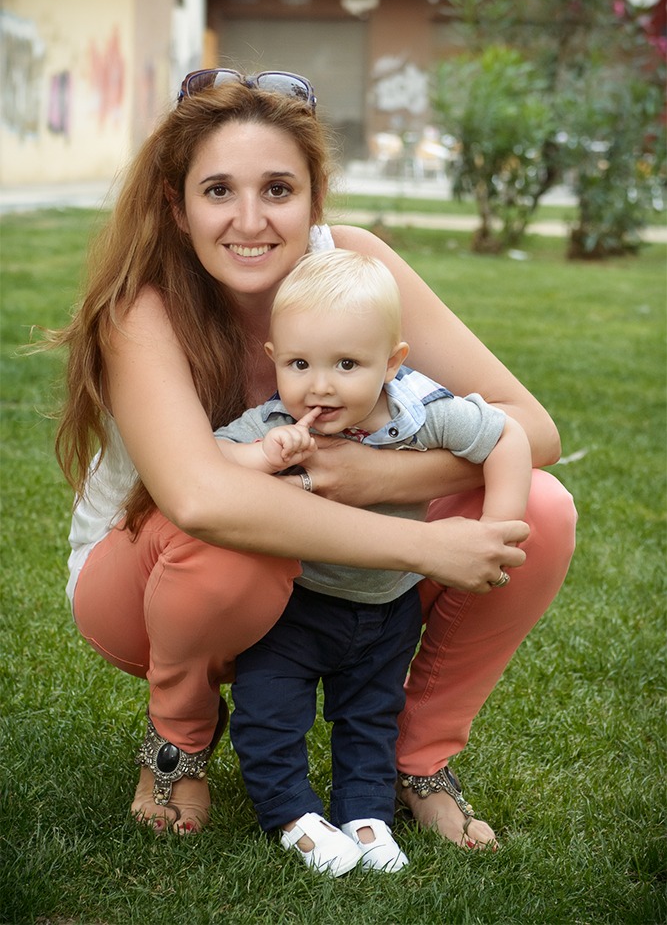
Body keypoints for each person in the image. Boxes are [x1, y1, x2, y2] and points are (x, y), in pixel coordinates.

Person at [51, 68, 576, 849]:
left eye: (278, 189)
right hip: (151, 582)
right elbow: (201, 501)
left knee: (540, 507)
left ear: (314, 197)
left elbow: (531, 427)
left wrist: (382, 477)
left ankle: (419, 762)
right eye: (218, 190)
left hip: (326, 580)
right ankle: (177, 745)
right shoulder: (144, 308)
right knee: (234, 545)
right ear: (177, 204)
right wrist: (426, 544)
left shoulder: (356, 269)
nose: (250, 220)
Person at [213, 247, 533, 874]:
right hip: (294, 606)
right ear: (273, 358)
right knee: (269, 710)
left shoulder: (421, 415)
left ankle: (367, 818)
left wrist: (500, 524)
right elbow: (208, 463)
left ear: (392, 364)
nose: (321, 384)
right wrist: (263, 456)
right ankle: (292, 814)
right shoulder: (274, 421)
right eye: (300, 363)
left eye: (348, 364)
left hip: (386, 609)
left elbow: (508, 435)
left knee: (370, 718)